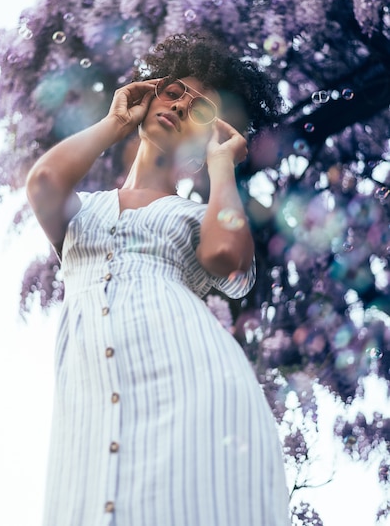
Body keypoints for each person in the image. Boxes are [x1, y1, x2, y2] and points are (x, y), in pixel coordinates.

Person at [26, 34, 290, 526]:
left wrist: (220, 167)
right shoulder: (86, 211)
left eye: (200, 109)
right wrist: (115, 121)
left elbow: (225, 256)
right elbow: (43, 183)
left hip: (195, 386)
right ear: (150, 94)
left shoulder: (196, 215)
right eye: (174, 92)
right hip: (90, 397)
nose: (180, 105)